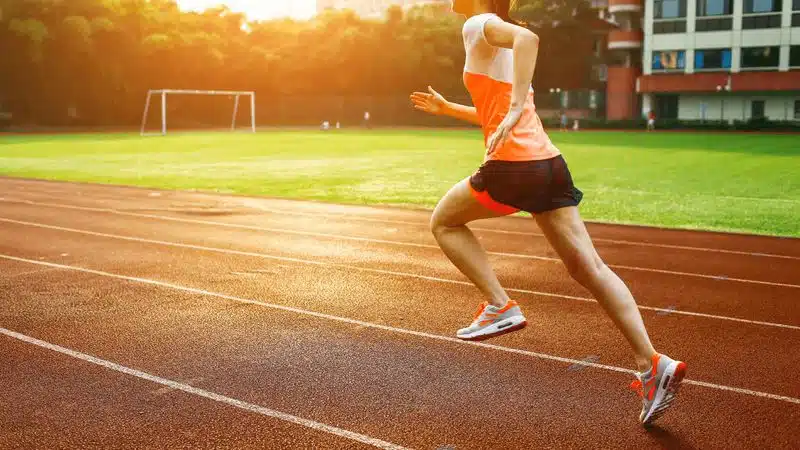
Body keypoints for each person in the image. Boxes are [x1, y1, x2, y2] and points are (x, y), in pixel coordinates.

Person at [409, 0, 686, 426]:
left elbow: (529, 39)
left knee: (444, 222)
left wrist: (517, 105)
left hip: (512, 167)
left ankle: (500, 305)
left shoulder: (479, 24)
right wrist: (451, 109)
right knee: (590, 268)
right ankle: (652, 364)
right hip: (548, 165)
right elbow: (494, 110)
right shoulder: (492, 33)